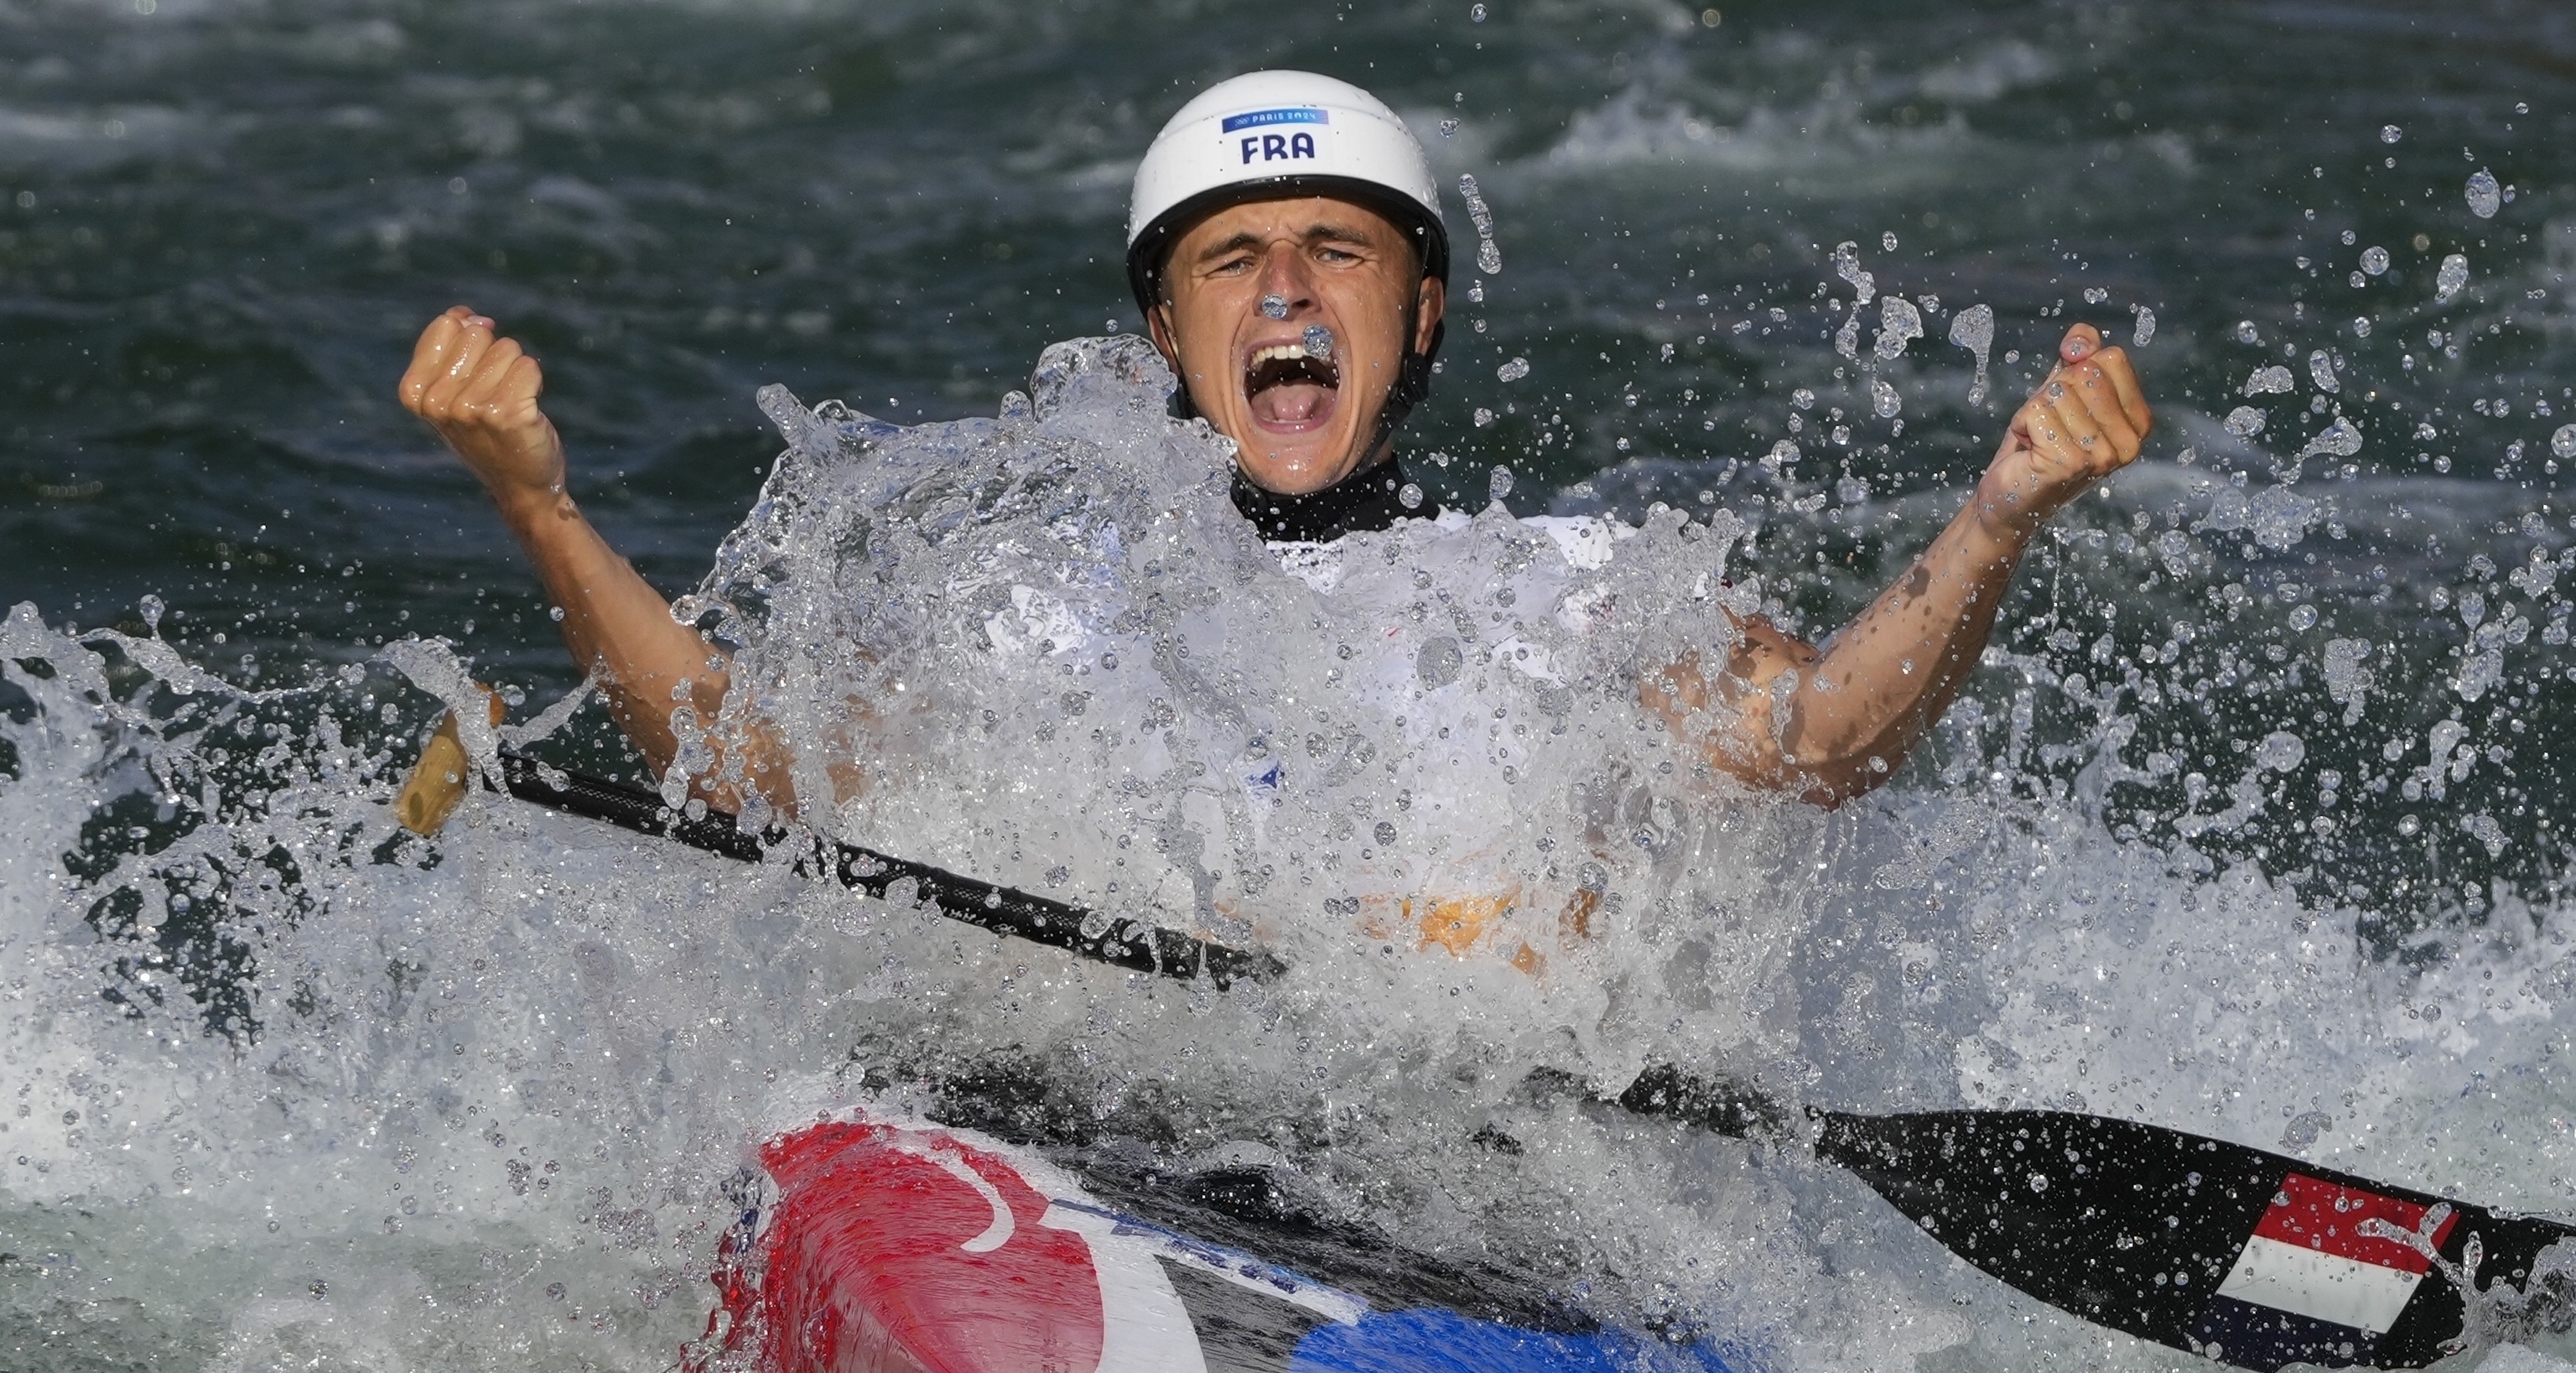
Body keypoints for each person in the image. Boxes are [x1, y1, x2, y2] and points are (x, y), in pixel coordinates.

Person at [397, 69, 2149, 832]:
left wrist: (1998, 518)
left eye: (1341, 250)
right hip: (1101, 1177)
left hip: (1471, 1221)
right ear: (1168, 333)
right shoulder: (1024, 604)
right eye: (1235, 259)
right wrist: (538, 508)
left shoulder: (1573, 595)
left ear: (1424, 312)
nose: (1288, 289)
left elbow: (1818, 746)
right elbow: (750, 772)